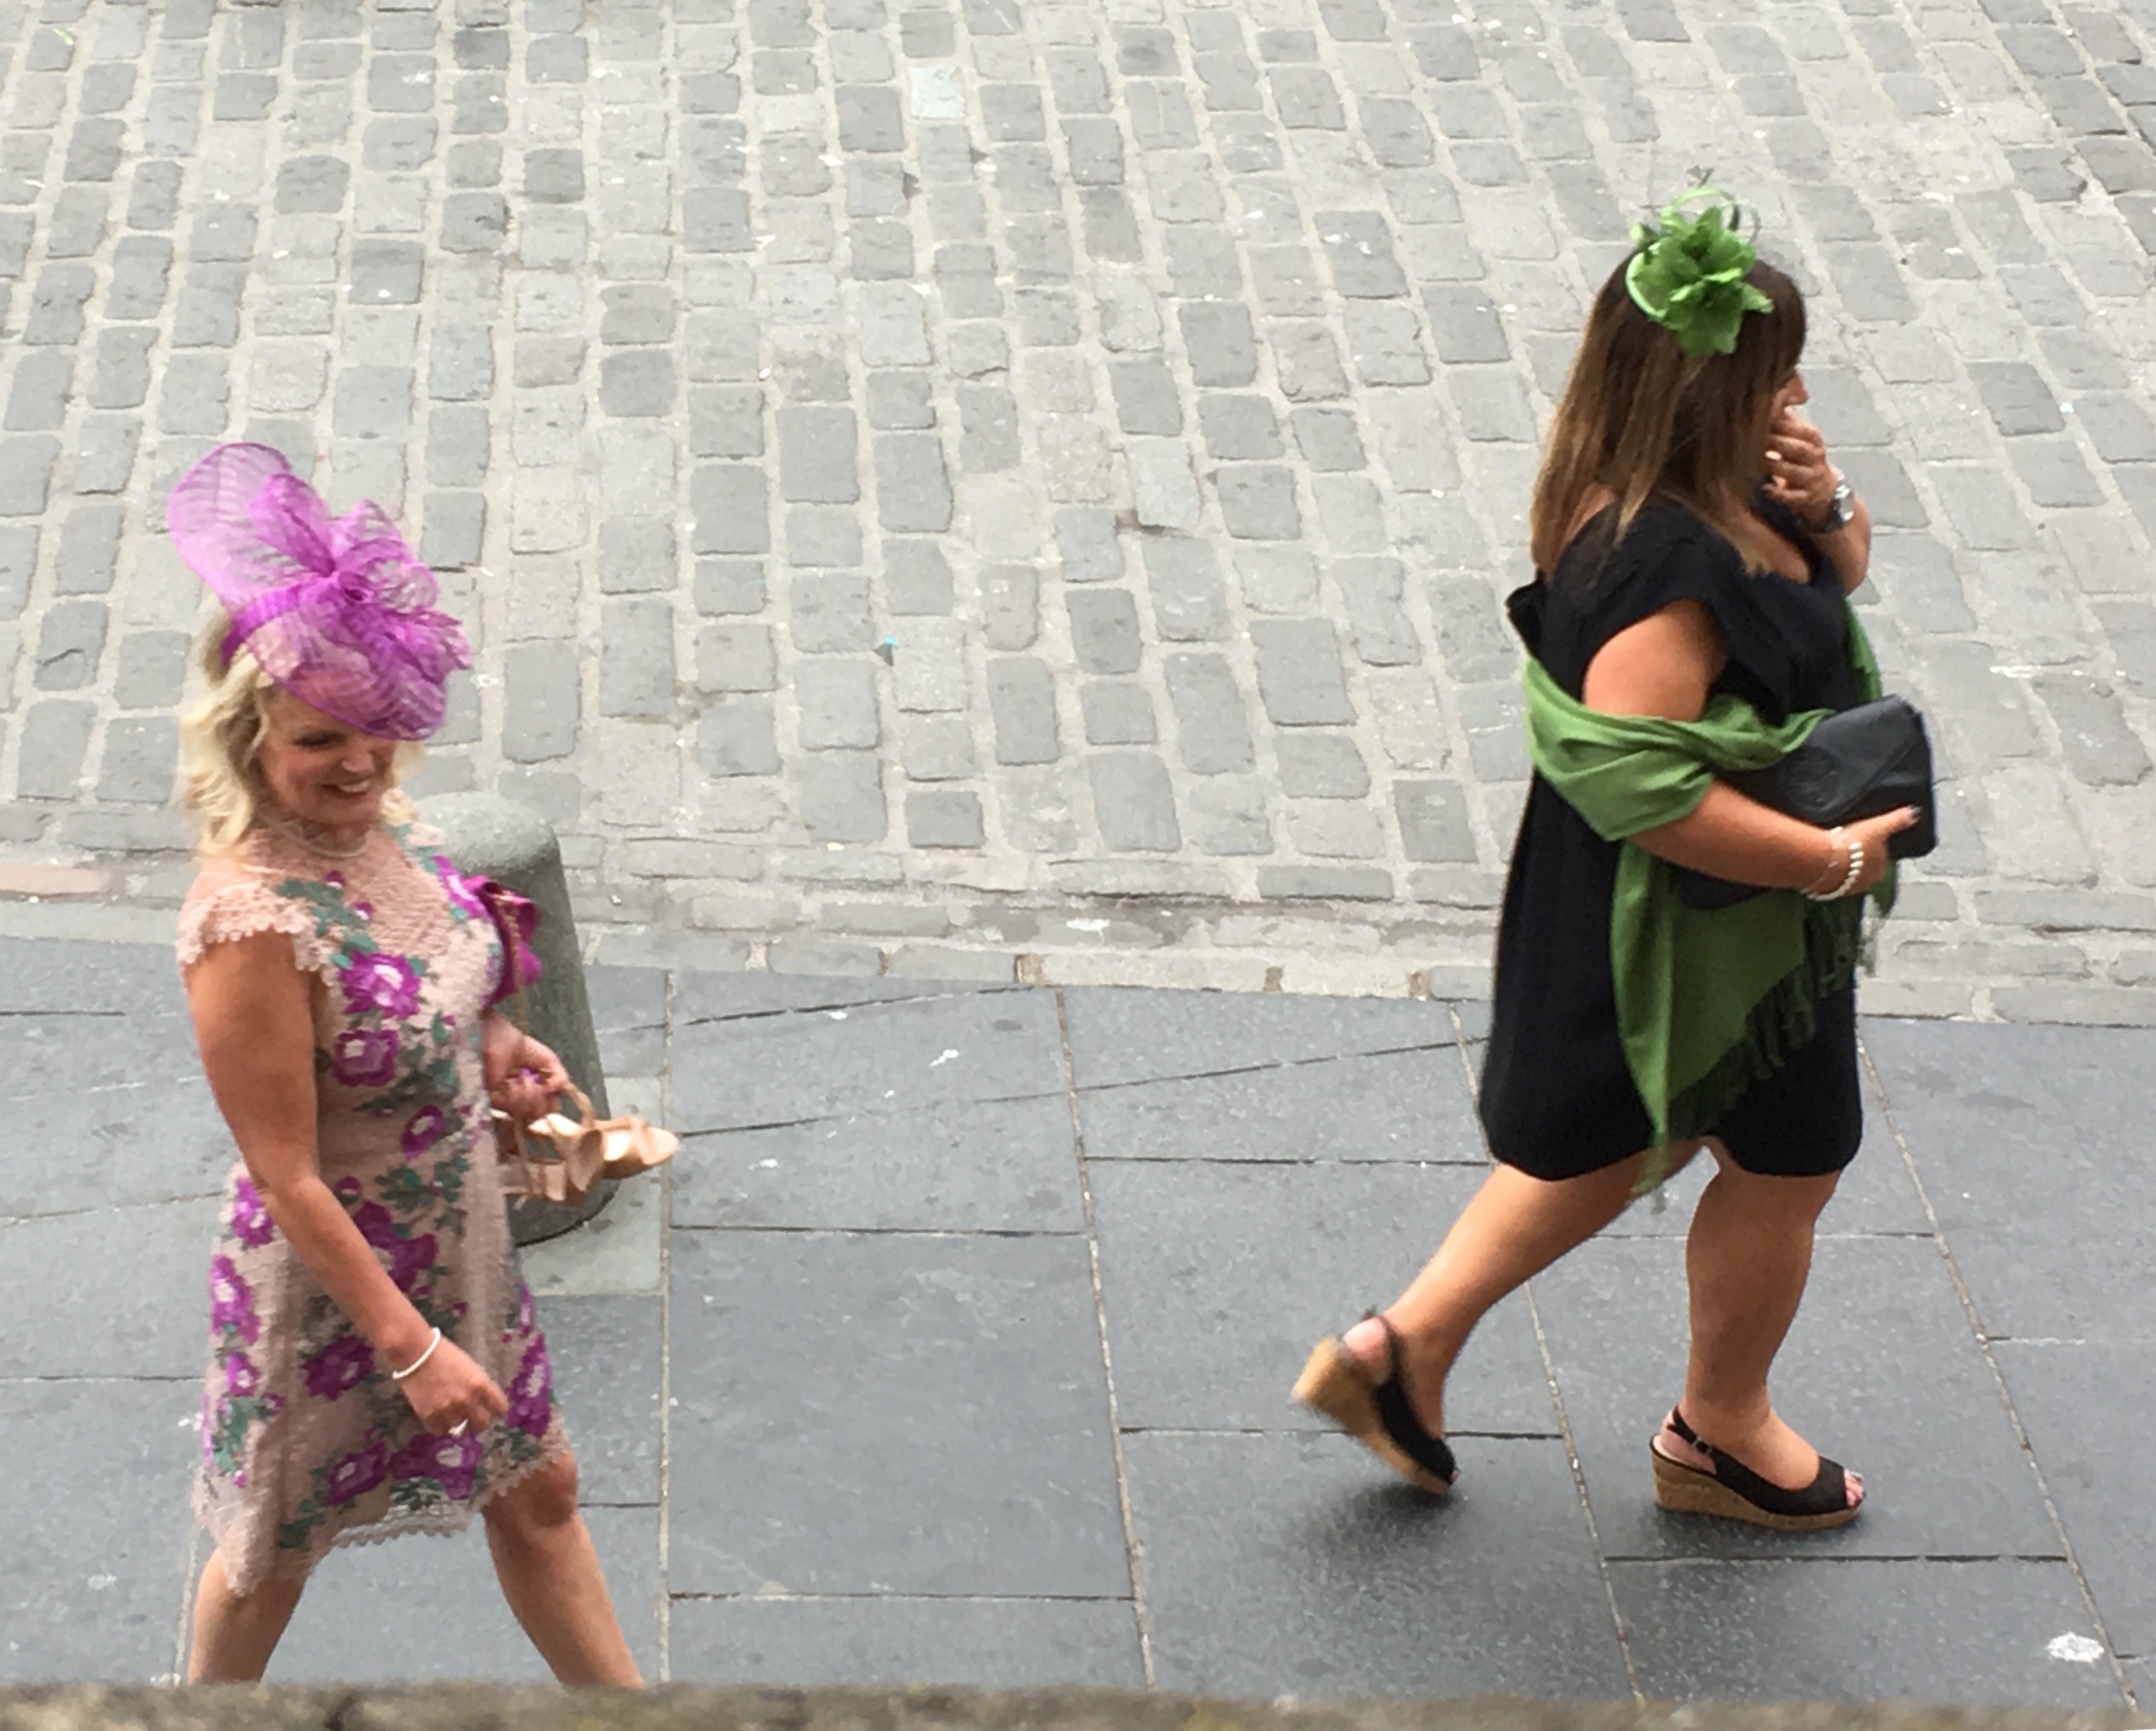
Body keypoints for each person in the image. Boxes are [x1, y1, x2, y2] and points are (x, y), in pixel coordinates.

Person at [1295, 192, 1918, 1532]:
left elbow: (1834, 582)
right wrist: (1821, 864)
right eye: (1777, 375)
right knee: (1792, 1155)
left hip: (1704, 912)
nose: (1800, 394)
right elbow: (1646, 791)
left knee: (1645, 1127)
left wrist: (1833, 499)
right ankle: (1721, 1434)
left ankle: (1399, 1352)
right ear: (1714, 395)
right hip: (1705, 922)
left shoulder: (1699, 479)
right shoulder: (1667, 570)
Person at [170, 442, 641, 1682]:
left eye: (376, 729)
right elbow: (283, 1173)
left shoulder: (391, 831)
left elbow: (440, 961)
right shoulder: (249, 926)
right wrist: (411, 1347)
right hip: (333, 1289)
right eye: (320, 738)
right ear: (248, 742)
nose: (359, 763)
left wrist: (493, 1042)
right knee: (272, 1548)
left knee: (540, 1489)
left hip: (460, 1241)